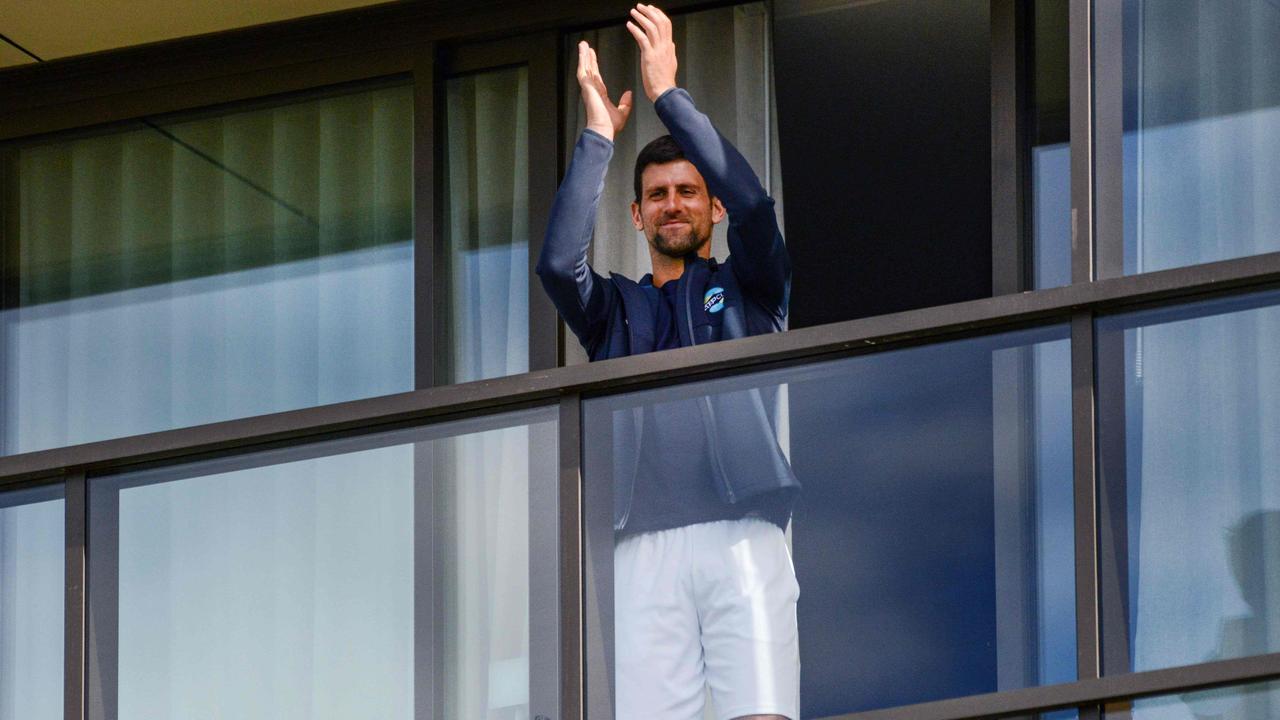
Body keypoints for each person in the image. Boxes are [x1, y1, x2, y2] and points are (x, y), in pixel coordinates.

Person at [536, 5, 800, 719]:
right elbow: (559, 263)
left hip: (741, 527)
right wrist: (598, 137)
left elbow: (754, 204)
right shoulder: (616, 310)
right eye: (657, 195)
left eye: (687, 193)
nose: (673, 205)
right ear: (637, 216)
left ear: (709, 212)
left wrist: (668, 97)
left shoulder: (749, 287)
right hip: (643, 544)